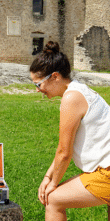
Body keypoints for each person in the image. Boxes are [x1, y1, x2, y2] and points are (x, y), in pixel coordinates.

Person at [30, 41, 110, 220]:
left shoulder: (71, 98)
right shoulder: (78, 90)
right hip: (104, 169)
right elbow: (64, 150)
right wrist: (48, 177)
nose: (37, 90)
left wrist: (53, 184)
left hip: (107, 173)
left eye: (38, 84)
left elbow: (64, 152)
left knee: (52, 200)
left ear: (55, 77)